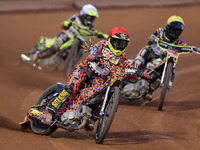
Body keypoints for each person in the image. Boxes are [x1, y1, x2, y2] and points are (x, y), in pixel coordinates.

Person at [27, 26, 150, 130]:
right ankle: (50, 111)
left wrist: (140, 72)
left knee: (98, 95)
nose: (119, 46)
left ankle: (91, 117)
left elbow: (127, 66)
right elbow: (94, 50)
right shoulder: (102, 45)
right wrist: (92, 55)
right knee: (71, 87)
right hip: (85, 70)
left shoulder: (122, 57)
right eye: (117, 42)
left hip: (99, 79)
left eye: (122, 43)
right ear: (110, 40)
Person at [130, 15, 200, 100]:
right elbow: (150, 39)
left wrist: (195, 49)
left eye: (177, 31)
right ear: (168, 27)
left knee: (162, 71)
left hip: (159, 59)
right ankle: (128, 74)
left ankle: (149, 91)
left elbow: (185, 46)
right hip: (150, 52)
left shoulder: (178, 41)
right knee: (140, 58)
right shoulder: (160, 31)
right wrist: (151, 39)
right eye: (173, 30)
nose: (174, 33)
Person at [28, 4, 108, 62]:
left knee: (80, 53)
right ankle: (36, 57)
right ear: (83, 14)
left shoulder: (90, 27)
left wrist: (107, 36)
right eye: (88, 16)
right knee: (55, 47)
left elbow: (97, 33)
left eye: (92, 17)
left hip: (77, 42)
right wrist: (67, 23)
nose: (90, 19)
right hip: (66, 35)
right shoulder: (76, 18)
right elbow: (65, 23)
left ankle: (67, 66)